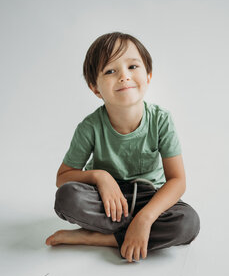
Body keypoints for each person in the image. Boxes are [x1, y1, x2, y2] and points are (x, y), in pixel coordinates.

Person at [45, 32, 200, 263]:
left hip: (149, 197)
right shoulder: (89, 127)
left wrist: (145, 218)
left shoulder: (161, 120)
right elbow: (62, 178)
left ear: (148, 76)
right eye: (110, 71)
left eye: (132, 66)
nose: (124, 76)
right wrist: (101, 177)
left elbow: (177, 181)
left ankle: (102, 238)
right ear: (95, 88)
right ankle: (127, 232)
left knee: (188, 222)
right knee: (67, 198)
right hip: (106, 200)